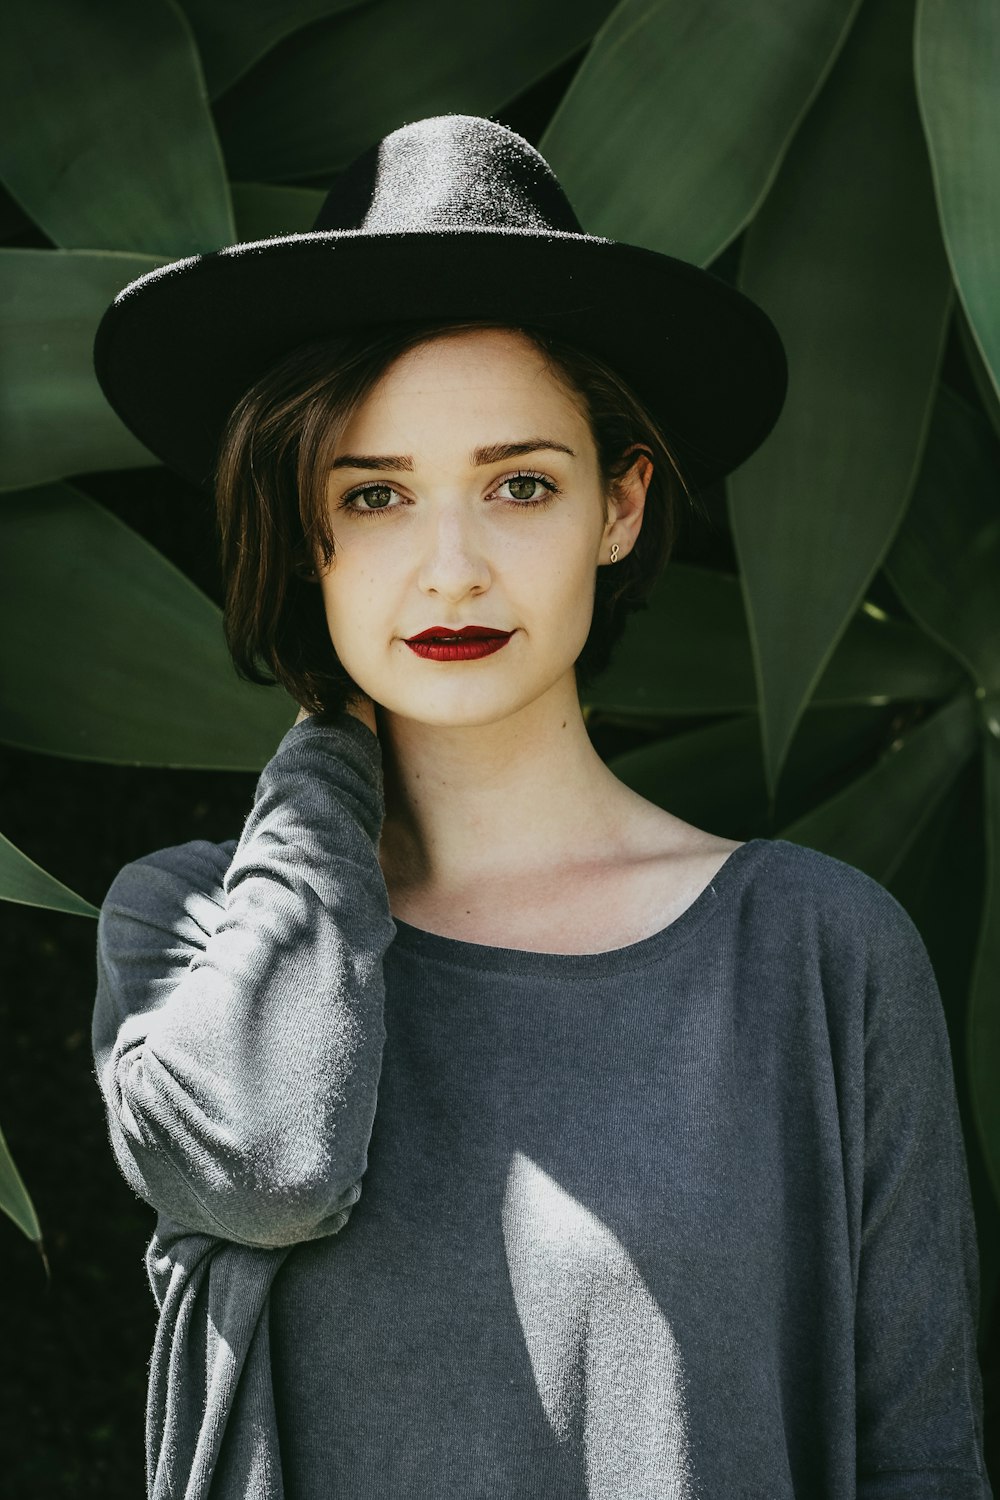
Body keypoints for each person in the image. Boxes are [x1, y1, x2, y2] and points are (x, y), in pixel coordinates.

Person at [90, 115, 992, 1499]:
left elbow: (923, 1460)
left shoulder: (819, 955)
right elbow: (271, 1162)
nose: (449, 571)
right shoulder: (190, 933)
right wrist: (332, 744)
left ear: (621, 508)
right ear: (301, 526)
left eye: (519, 485)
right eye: (375, 496)